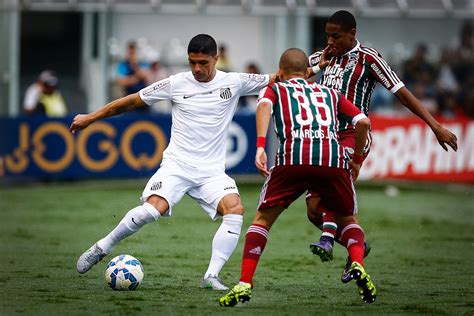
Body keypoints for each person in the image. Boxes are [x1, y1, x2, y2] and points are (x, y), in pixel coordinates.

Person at [70, 34, 274, 290]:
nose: (197, 69)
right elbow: (130, 101)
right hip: (177, 166)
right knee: (153, 210)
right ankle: (103, 246)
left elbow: (280, 77)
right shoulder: (176, 83)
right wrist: (91, 117)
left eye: (203, 62)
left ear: (216, 59)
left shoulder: (235, 81)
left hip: (211, 172)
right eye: (192, 63)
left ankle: (211, 276)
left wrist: (317, 66)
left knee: (235, 210)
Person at [306, 10, 458, 282]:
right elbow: (294, 76)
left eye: (336, 36)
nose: (330, 41)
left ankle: (328, 238)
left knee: (333, 189)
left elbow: (401, 92)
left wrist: (435, 126)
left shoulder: (369, 58)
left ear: (352, 33)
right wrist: (317, 66)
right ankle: (356, 249)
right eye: (327, 35)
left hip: (354, 134)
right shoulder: (325, 56)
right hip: (323, 138)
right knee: (314, 210)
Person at [219, 48, 376, 307]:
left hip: (294, 157)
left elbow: (264, 106)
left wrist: (260, 146)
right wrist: (357, 160)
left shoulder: (277, 89)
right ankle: (357, 262)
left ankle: (245, 283)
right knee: (347, 218)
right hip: (332, 158)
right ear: (307, 73)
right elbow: (362, 123)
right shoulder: (330, 93)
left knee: (263, 220)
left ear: (280, 72)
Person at [116, 41, 150, 112]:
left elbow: (146, 77)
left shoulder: (142, 63)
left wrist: (135, 65)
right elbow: (122, 82)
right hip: (128, 98)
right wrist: (137, 78)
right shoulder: (123, 65)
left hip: (143, 98)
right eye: (130, 52)